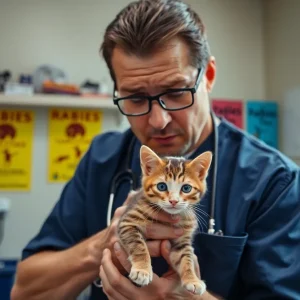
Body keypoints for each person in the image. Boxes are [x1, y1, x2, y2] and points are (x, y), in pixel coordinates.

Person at [11, 0, 300, 299]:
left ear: (209, 76)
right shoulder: (102, 157)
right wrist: (102, 245)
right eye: (135, 99)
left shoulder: (275, 182)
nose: (158, 120)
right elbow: (24, 291)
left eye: (175, 93)